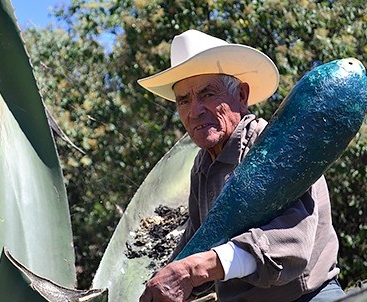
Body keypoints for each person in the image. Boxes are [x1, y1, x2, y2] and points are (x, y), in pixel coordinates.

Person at [137, 29, 346, 302]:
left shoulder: (273, 145)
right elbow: (197, 245)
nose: (194, 110)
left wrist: (193, 269)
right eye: (184, 100)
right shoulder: (202, 166)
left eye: (207, 93)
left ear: (242, 95)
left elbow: (292, 243)